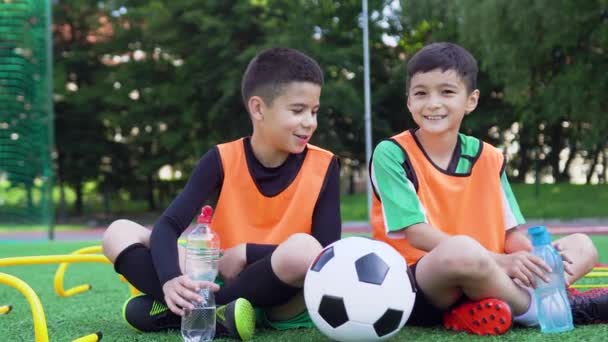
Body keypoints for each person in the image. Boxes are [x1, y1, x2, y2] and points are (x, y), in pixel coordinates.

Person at [102, 47, 342, 340]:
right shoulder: (221, 158)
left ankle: (186, 313)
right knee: (118, 232)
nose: (310, 122)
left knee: (305, 249)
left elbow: (328, 252)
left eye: (314, 111)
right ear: (258, 108)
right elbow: (168, 225)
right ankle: (205, 308)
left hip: (282, 292)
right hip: (215, 277)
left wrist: (247, 252)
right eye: (298, 110)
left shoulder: (325, 164)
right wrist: (169, 279)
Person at [370, 42, 604, 335]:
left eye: (447, 92)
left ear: (471, 100)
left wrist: (531, 260)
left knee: (581, 245)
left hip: (491, 271)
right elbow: (417, 234)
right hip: (423, 282)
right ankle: (538, 310)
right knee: (461, 250)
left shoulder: (490, 156)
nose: (432, 103)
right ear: (409, 101)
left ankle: (489, 305)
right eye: (420, 93)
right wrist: (504, 262)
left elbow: (510, 234)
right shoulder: (391, 153)